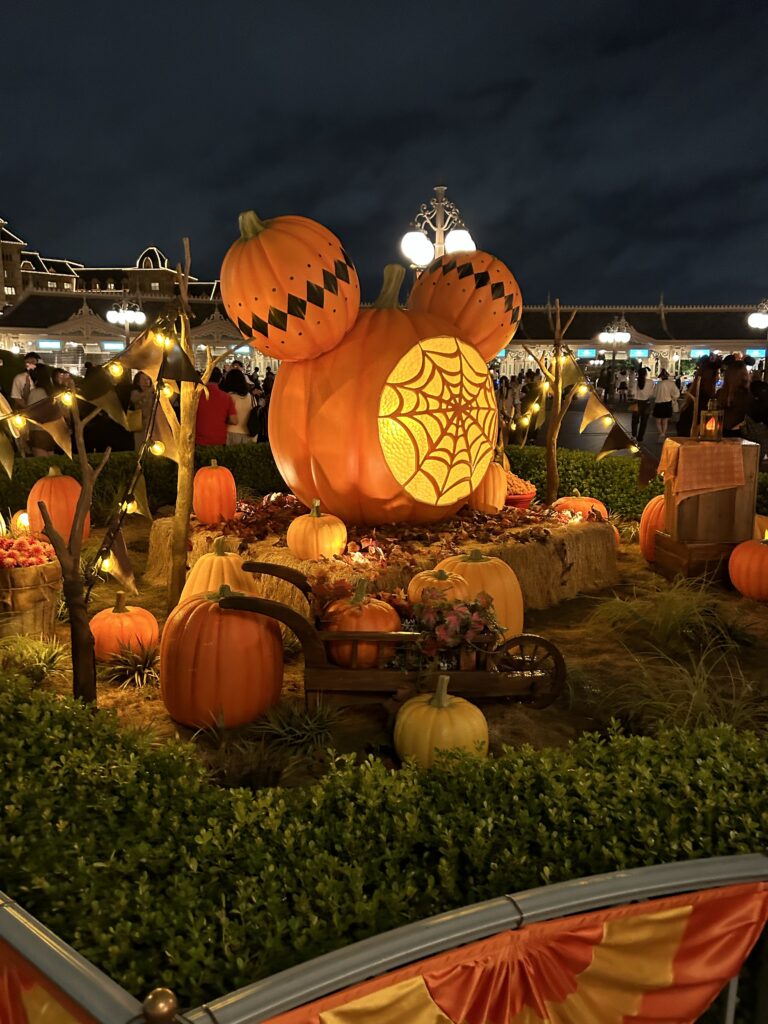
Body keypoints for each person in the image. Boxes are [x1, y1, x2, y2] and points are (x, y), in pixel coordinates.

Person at [677, 354, 721, 437]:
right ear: (711, 376)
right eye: (717, 374)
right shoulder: (705, 398)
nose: (718, 377)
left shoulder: (695, 394)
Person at [196, 367, 237, 446]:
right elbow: (234, 420)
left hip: (199, 439)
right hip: (219, 439)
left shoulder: (196, 396)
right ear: (220, 379)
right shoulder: (226, 397)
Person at [718, 355, 756, 437]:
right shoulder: (747, 395)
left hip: (721, 433)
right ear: (744, 375)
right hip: (742, 434)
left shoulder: (721, 393)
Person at [221, 368, 256, 445]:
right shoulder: (251, 397)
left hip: (231, 433)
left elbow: (225, 416)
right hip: (249, 433)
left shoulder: (229, 396)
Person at [129, 371, 155, 451]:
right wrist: (151, 389)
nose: (146, 381)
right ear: (138, 382)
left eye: (148, 379)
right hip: (140, 423)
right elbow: (135, 399)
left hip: (152, 423)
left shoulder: (154, 393)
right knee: (140, 444)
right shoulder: (135, 393)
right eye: (143, 379)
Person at [652, 369, 680, 440]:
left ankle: (661, 433)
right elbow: (676, 393)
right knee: (665, 421)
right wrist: (673, 399)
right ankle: (663, 433)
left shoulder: (658, 384)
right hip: (667, 404)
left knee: (658, 421)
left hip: (658, 404)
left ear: (661, 377)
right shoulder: (671, 383)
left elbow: (654, 394)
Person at [628, 366, 654, 442]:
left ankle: (634, 436)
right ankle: (640, 437)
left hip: (636, 402)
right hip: (646, 403)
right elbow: (652, 393)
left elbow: (632, 393)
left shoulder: (636, 382)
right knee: (644, 422)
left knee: (634, 421)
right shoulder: (651, 382)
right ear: (646, 374)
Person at [496, 375, 518, 445]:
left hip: (508, 414)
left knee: (505, 431)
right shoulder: (498, 393)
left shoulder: (511, 392)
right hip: (501, 415)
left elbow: (515, 402)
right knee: (502, 431)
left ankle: (505, 444)